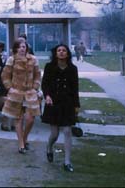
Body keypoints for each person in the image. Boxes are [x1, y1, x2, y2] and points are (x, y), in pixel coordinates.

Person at [41, 44, 80, 172]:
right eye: (59, 50)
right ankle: (49, 147)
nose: (62, 52)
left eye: (64, 50)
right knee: (55, 134)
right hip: (53, 102)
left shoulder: (73, 69)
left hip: (67, 103)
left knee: (68, 131)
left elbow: (75, 88)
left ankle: (67, 162)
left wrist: (76, 105)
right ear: (55, 53)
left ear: (68, 53)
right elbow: (44, 84)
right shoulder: (49, 67)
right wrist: (47, 96)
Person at [1, 38, 42, 154]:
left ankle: (24, 138)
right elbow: (5, 75)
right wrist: (9, 88)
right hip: (16, 93)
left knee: (31, 118)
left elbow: (38, 75)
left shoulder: (33, 60)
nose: (21, 49)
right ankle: (21, 144)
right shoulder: (11, 60)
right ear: (15, 49)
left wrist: (35, 87)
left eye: (23, 47)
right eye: (19, 47)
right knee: (18, 118)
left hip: (30, 93)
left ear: (26, 48)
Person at [0, 42, 15, 131]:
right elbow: (4, 75)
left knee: (16, 107)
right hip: (10, 86)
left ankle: (13, 124)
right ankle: (6, 124)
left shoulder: (27, 62)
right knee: (8, 104)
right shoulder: (9, 61)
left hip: (18, 87)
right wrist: (8, 86)